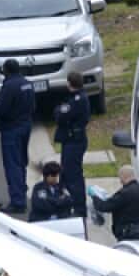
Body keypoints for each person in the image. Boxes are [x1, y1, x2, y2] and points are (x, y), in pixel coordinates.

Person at [0, 58, 37, 214]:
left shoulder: (9, 86)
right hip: (25, 125)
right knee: (21, 161)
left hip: (12, 129)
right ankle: (22, 190)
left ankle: (18, 201)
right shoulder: (27, 83)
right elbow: (33, 106)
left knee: (12, 164)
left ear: (6, 70)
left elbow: (2, 109)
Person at [54, 71, 90, 217]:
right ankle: (65, 202)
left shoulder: (77, 100)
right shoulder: (78, 98)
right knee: (66, 173)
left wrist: (59, 110)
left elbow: (59, 114)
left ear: (69, 83)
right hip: (72, 141)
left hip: (74, 142)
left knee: (73, 175)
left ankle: (79, 208)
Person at [91, 165, 139, 240]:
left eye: (120, 177)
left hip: (128, 235)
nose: (120, 181)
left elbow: (104, 206)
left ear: (123, 176)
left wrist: (94, 196)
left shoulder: (125, 193)